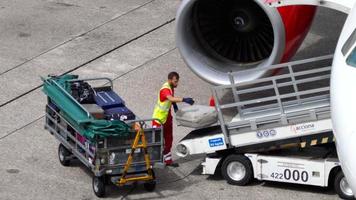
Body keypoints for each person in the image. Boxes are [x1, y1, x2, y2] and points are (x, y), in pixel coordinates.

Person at [152, 72, 194, 166]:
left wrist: (175, 106)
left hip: (167, 118)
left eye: (177, 81)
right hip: (158, 119)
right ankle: (154, 161)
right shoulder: (165, 89)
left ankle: (168, 160)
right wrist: (184, 99)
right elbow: (170, 98)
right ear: (170, 80)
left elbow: (171, 100)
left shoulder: (171, 88)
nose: (177, 83)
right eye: (175, 81)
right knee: (157, 142)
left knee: (169, 139)